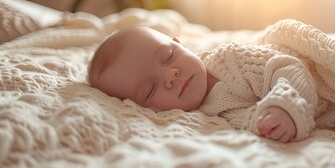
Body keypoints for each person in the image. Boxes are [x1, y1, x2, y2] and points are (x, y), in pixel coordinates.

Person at [87, 25, 321, 143]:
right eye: (150, 89)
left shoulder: (230, 62)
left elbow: (288, 67)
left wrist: (285, 106)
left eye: (169, 56)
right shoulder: (206, 116)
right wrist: (264, 124)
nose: (170, 75)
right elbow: (251, 118)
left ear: (182, 45)